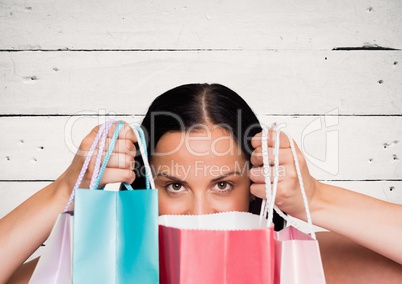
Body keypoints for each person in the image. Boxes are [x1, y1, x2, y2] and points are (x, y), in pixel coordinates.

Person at [1, 83, 401, 283]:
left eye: (223, 185)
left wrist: (319, 199)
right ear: (145, 187)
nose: (198, 214)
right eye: (174, 186)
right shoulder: (98, 268)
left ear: (258, 186)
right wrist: (64, 190)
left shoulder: (300, 264)